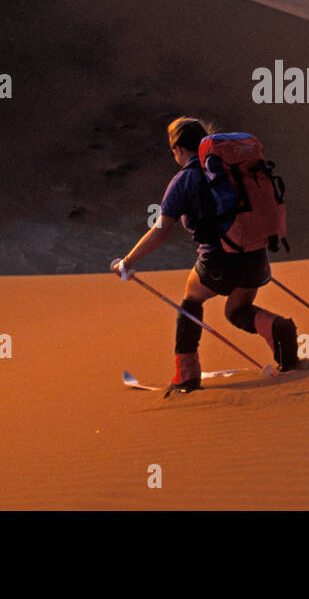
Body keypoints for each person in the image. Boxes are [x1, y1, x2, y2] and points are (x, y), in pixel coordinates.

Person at [112, 116, 298, 394]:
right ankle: (278, 329)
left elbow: (160, 230)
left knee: (190, 300)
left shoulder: (184, 179)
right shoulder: (234, 170)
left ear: (178, 148)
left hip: (219, 261)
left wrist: (127, 262)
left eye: (171, 149)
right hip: (257, 256)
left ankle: (186, 376)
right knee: (237, 311)